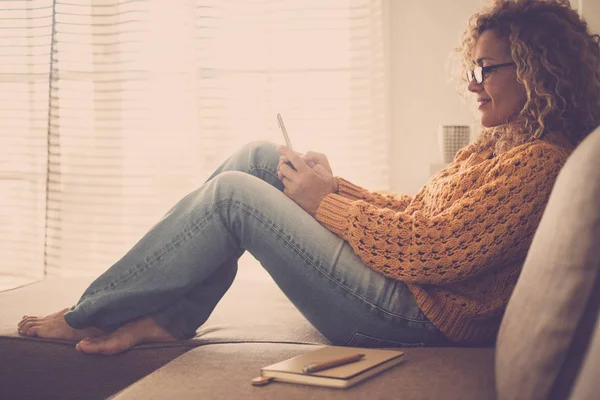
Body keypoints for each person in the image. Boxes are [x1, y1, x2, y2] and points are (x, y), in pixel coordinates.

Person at [17, 0, 600, 355]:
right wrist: (335, 187)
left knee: (232, 198)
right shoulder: (503, 144)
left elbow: (431, 250)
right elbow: (420, 211)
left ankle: (92, 314)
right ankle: (168, 318)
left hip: (415, 316)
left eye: (484, 68)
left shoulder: (540, 165)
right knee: (258, 156)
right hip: (409, 294)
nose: (472, 82)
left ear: (535, 74)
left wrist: (324, 204)